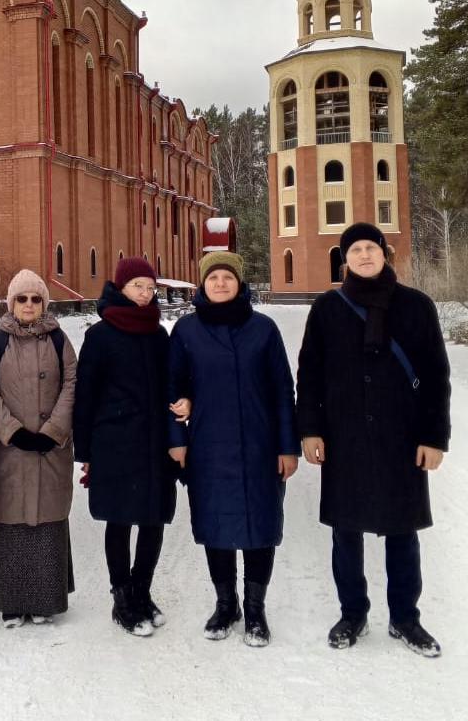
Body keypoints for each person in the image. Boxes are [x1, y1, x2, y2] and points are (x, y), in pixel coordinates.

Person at [296, 222, 451, 657]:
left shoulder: (417, 307)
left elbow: (437, 375)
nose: (364, 255)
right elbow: (309, 374)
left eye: (372, 248)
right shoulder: (328, 308)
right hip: (344, 437)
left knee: (403, 531)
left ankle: (405, 618)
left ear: (385, 254)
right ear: (344, 259)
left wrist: (433, 437)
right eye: (356, 250)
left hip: (402, 437)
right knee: (347, 531)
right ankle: (353, 614)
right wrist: (310, 429)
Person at [168, 251, 299, 646]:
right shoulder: (187, 331)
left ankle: (255, 609)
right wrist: (177, 442)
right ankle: (226, 604)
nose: (220, 283)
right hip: (208, 446)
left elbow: (282, 391)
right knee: (215, 526)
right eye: (213, 278)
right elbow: (172, 389)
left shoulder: (263, 329)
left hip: (260, 445)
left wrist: (287, 446)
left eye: (227, 277)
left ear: (239, 284)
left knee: (261, 527)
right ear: (202, 284)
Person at [74, 257, 177, 637]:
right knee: (119, 520)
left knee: (153, 519)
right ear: (121, 288)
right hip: (114, 443)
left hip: (154, 443)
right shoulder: (100, 336)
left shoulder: (158, 334)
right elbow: (85, 395)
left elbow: (171, 384)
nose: (146, 294)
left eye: (151, 288)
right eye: (139, 287)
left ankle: (142, 591)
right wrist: (84, 452)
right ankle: (122, 599)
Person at [0, 270, 77, 627]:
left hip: (51, 449)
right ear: (11, 303)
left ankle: (44, 600)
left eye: (36, 299)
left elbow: (71, 386)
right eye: (22, 299)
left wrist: (53, 431)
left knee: (48, 519)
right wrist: (11, 431)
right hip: (10, 450)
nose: (29, 305)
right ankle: (10, 600)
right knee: (10, 518)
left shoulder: (59, 340)